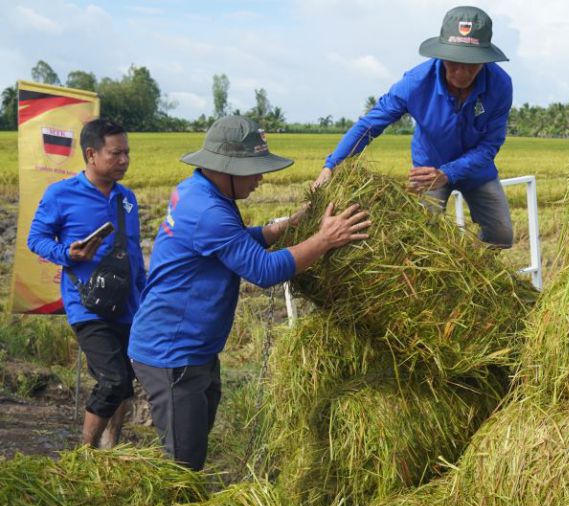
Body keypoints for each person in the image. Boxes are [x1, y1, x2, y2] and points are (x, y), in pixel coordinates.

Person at [128, 116, 371, 471]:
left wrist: (287, 225)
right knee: (182, 464)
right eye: (253, 170)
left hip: (193, 346)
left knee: (193, 444)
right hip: (172, 352)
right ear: (225, 167)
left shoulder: (199, 191)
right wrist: (323, 240)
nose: (261, 178)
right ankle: (174, 505)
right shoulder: (209, 211)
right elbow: (264, 270)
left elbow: (234, 243)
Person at [315, 5, 514, 248]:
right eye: (454, 62)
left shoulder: (500, 85)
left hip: (475, 169)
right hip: (428, 170)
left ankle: (471, 265)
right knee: (421, 239)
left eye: (471, 64)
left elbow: (490, 145)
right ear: (442, 54)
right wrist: (331, 166)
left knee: (502, 235)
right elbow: (369, 125)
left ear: (484, 59)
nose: (462, 73)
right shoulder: (416, 83)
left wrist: (448, 173)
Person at [27, 118, 145, 448]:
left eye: (127, 153)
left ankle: (111, 449)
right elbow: (35, 239)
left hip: (127, 304)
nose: (124, 160)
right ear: (91, 154)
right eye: (116, 153)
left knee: (125, 382)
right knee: (112, 380)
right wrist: (68, 253)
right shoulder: (61, 194)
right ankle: (86, 452)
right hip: (87, 306)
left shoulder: (127, 198)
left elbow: (134, 252)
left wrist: (144, 296)